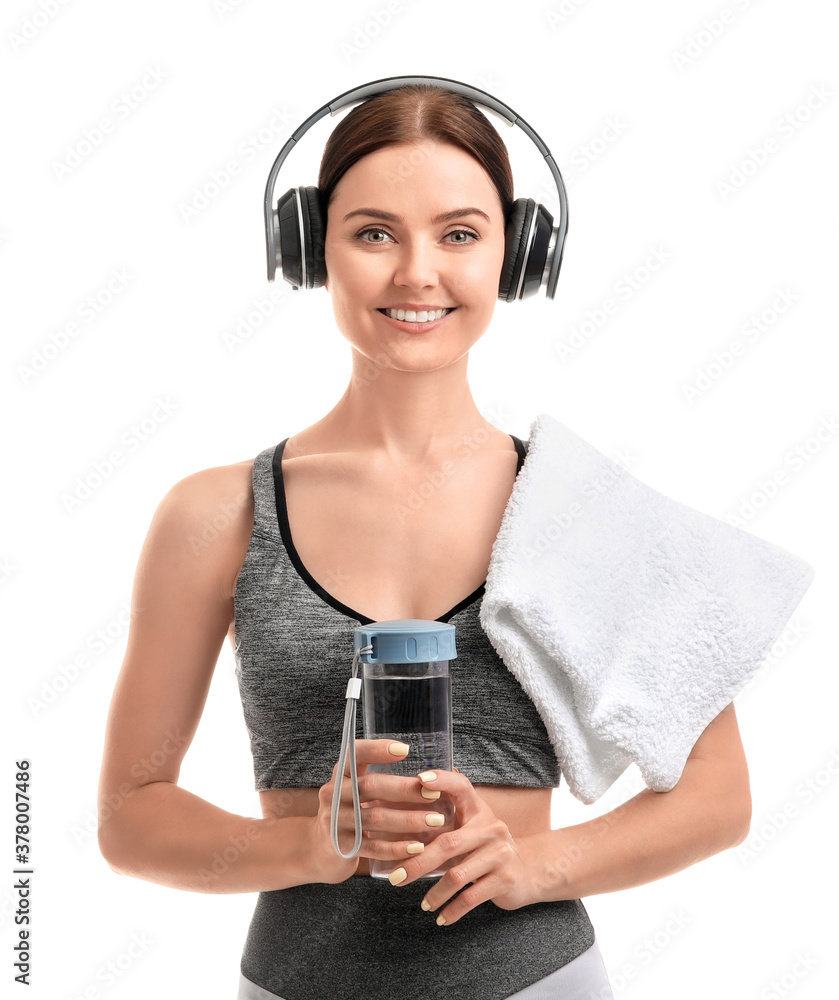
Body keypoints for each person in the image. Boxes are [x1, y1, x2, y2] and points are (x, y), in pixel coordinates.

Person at [97, 83, 752, 1000]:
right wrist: (307, 844)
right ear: (307, 248)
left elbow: (717, 797)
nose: (415, 274)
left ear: (514, 256)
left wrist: (533, 866)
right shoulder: (218, 515)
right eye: (372, 233)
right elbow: (131, 817)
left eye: (458, 234)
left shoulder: (572, 505)